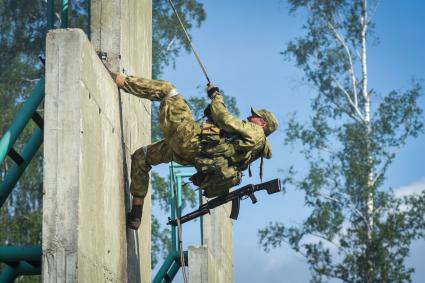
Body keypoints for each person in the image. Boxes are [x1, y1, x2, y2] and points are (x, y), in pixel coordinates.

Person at [111, 73, 278, 230]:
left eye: (255, 116)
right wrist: (212, 117)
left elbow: (225, 118)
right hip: (190, 155)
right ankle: (136, 213)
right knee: (142, 157)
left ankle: (116, 79)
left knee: (168, 90)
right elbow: (223, 147)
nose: (250, 117)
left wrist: (215, 96)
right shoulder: (255, 151)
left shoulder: (256, 132)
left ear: (263, 124)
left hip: (190, 139)